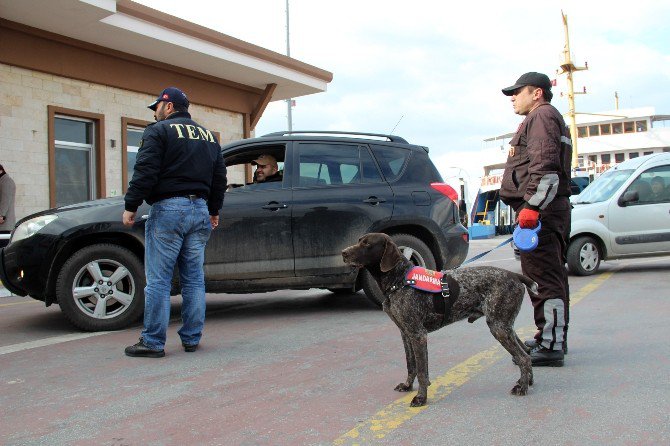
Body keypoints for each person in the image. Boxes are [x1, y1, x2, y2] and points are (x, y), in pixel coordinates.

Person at [123, 87, 227, 358]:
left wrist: (130, 205)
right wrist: (213, 209)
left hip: (169, 209)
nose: (155, 111)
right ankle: (192, 338)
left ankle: (153, 342)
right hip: (200, 210)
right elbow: (219, 178)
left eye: (157, 106)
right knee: (193, 279)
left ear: (168, 106)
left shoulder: (158, 131)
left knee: (158, 280)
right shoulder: (208, 137)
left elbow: (145, 170)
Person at [500, 72, 572, 367]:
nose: (513, 98)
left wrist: (531, 208)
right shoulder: (545, 117)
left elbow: (545, 168)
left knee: (544, 280)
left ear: (537, 92)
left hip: (541, 213)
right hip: (547, 211)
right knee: (550, 277)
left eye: (518, 92)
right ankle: (551, 337)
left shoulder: (541, 116)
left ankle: (551, 345)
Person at [0, 164, 16, 249]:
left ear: (1, 170)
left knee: (3, 247)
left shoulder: (6, 181)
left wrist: (1, 215)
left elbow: (5, 200)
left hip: (3, 223)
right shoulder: (2, 181)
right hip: (3, 223)